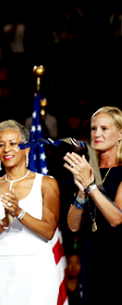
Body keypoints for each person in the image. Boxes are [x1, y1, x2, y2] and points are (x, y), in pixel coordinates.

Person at [0, 119, 60, 305]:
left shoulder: (46, 183)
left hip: (37, 270)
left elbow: (48, 231)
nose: (6, 149)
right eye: (1, 145)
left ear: (27, 148)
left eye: (13, 144)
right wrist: (3, 223)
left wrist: (19, 212)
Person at [64, 106, 122, 304]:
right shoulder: (88, 172)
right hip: (93, 255)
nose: (97, 134)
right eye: (94, 129)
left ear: (120, 133)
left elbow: (116, 219)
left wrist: (89, 186)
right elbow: (72, 225)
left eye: (104, 129)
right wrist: (81, 190)